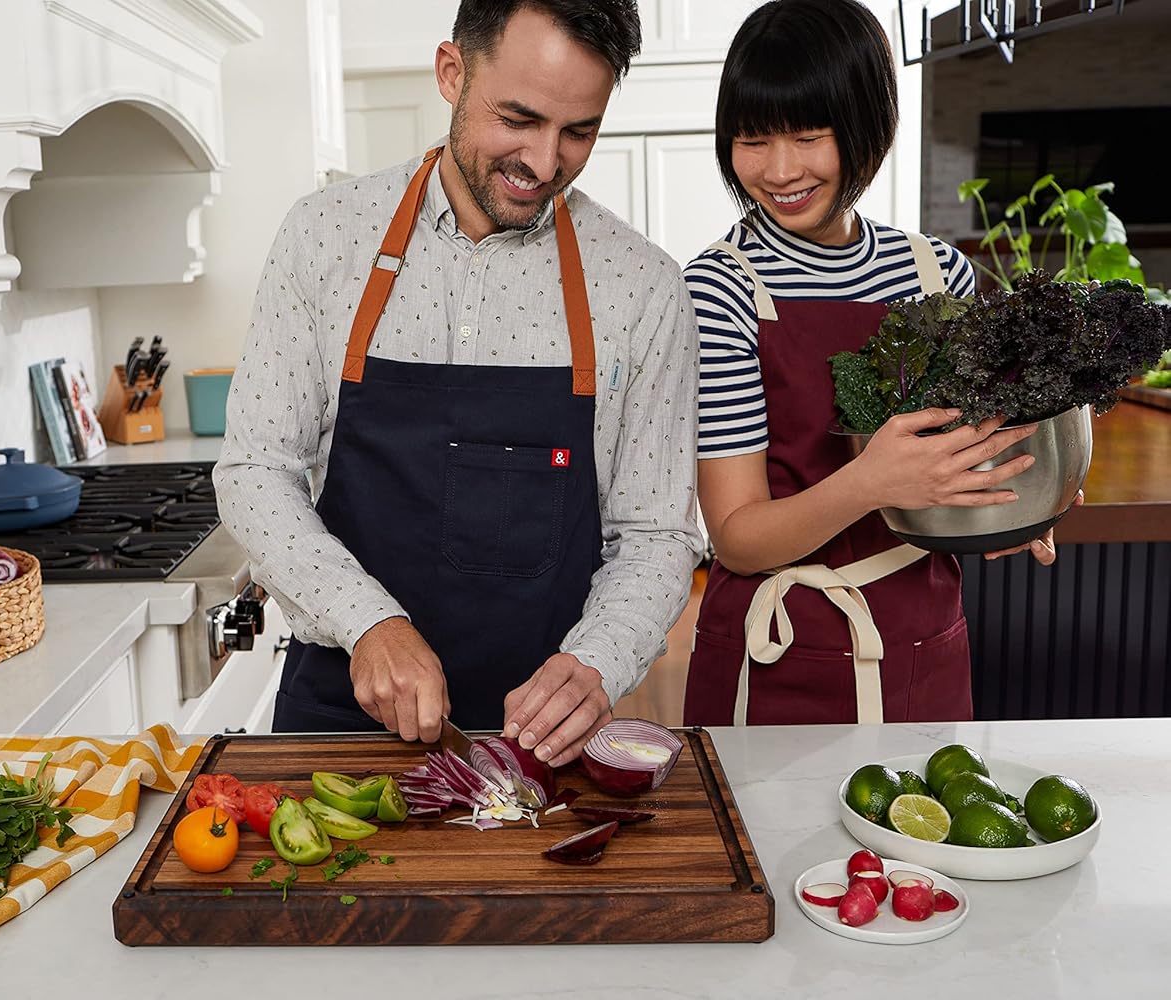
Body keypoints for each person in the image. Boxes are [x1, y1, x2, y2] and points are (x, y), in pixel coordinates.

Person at [214, 0, 702, 765]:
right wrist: (368, 622)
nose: (545, 162)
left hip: (541, 744)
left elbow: (657, 535)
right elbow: (255, 470)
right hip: (339, 719)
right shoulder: (325, 237)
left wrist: (597, 663)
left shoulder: (641, 285)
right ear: (452, 73)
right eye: (519, 119)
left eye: (579, 131)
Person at [682, 0, 1061, 727]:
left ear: (868, 125)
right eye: (753, 140)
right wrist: (869, 481)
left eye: (808, 136)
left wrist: (1016, 505)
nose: (780, 170)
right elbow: (737, 536)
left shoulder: (937, 273)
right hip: (778, 645)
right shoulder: (722, 288)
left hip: (922, 637)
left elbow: (961, 459)